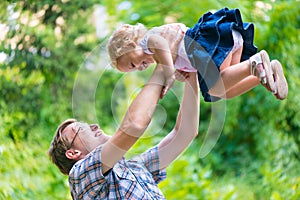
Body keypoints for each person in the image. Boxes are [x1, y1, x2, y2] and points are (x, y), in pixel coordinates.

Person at [48, 65, 200, 199]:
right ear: (73, 153)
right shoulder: (80, 176)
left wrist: (190, 71)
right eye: (82, 128)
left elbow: (185, 133)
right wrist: (162, 66)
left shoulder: (135, 168)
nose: (94, 126)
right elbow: (134, 125)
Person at [107, 7, 288, 102]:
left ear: (131, 45)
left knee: (214, 88)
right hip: (224, 42)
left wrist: (169, 75)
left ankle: (254, 63)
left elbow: (161, 44)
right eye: (135, 70)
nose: (139, 67)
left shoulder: (148, 41)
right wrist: (179, 73)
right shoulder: (159, 56)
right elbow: (176, 59)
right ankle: (264, 74)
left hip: (208, 41)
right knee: (223, 93)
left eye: (132, 63)